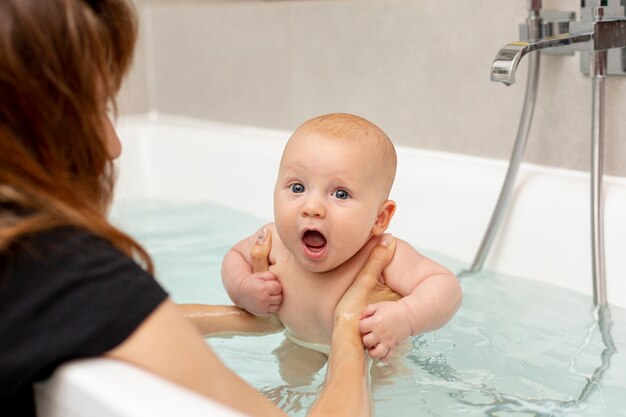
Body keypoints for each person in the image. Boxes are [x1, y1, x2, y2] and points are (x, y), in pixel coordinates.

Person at [0, 1, 399, 416]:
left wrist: (253, 316)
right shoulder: (54, 266)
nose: (114, 146)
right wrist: (348, 326)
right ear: (31, 126)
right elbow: (91, 303)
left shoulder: (33, 270)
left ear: (381, 216)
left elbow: (102, 316)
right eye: (96, 110)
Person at [217, 113, 463, 362]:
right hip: (297, 346)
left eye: (341, 194)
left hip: (371, 366)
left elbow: (445, 286)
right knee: (288, 392)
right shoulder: (273, 242)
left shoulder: (382, 255)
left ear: (380, 218)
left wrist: (407, 317)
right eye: (298, 188)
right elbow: (235, 256)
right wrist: (242, 288)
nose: (312, 207)